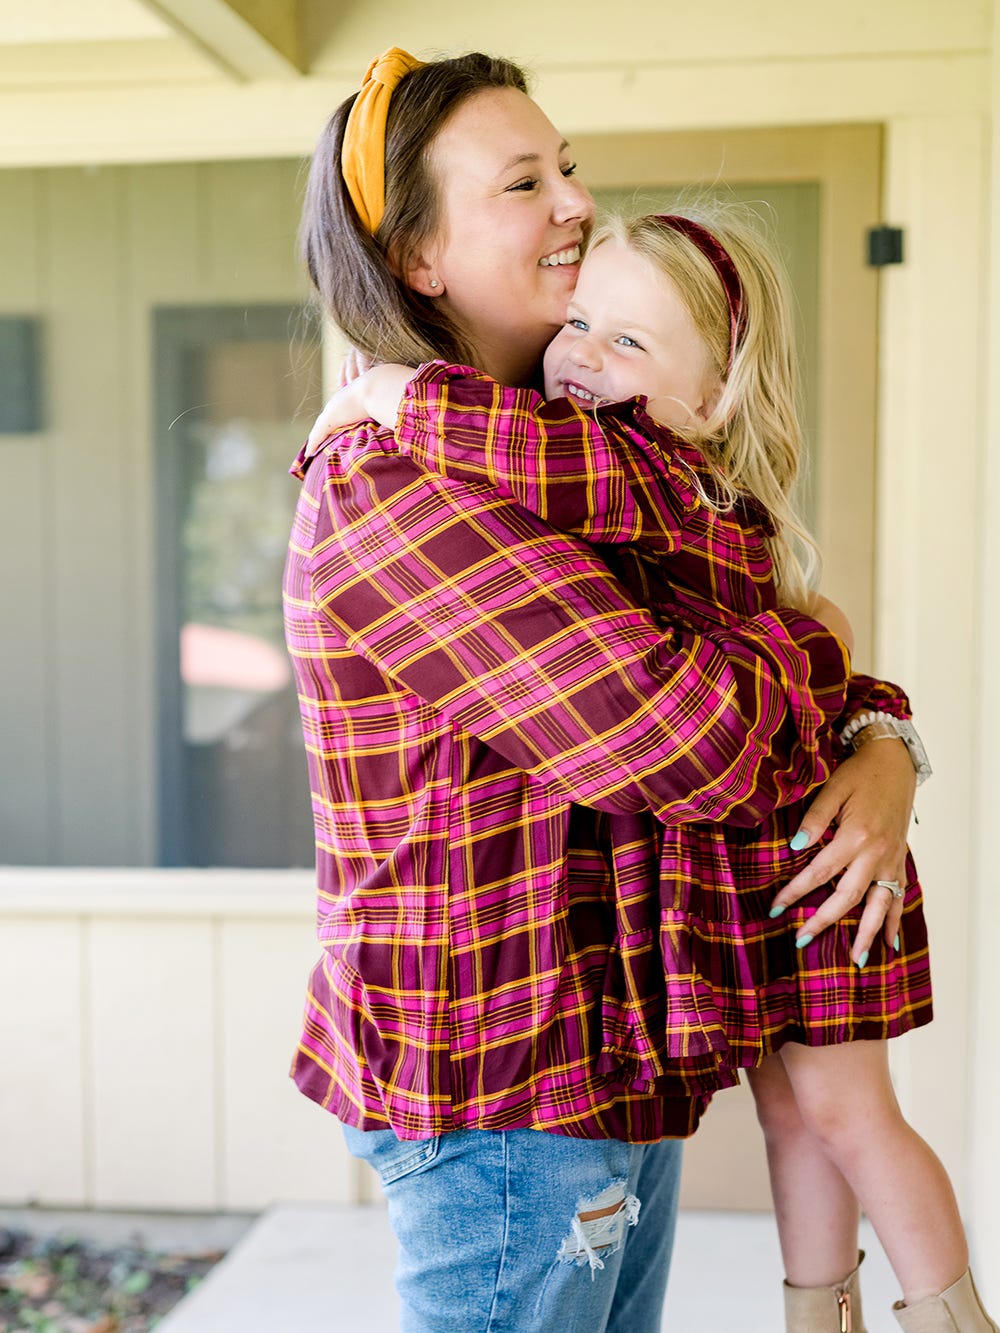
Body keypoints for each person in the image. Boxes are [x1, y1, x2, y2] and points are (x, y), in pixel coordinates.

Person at [285, 48, 922, 1333]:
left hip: (603, 1063)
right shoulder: (397, 485)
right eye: (523, 181)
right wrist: (830, 664)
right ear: (418, 258)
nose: (574, 201)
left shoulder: (583, 452)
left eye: (567, 166)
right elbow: (702, 747)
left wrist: (879, 734)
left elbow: (759, 620)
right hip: (505, 1093)